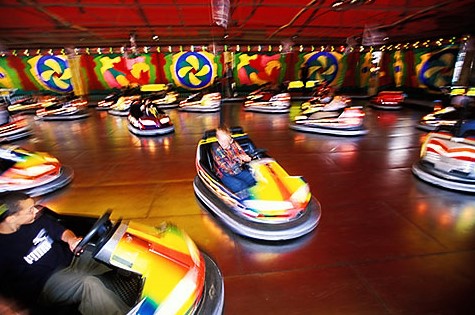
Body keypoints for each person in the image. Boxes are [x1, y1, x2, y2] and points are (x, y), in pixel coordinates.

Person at [0, 192, 129, 315]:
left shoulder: (37, 220)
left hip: (71, 260)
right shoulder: (3, 248)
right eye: (30, 210)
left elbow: (61, 231)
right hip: (46, 284)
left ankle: (137, 288)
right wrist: (9, 309)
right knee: (88, 284)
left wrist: (71, 240)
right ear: (11, 218)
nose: (35, 211)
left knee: (113, 253)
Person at [212, 126, 256, 198]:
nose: (223, 143)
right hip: (225, 174)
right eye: (221, 141)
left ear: (230, 140)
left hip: (237, 170)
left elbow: (242, 153)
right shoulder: (217, 149)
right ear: (218, 140)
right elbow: (228, 167)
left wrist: (247, 158)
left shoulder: (234, 144)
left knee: (253, 178)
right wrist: (241, 159)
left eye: (226, 141)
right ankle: (244, 203)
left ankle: (255, 197)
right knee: (241, 186)